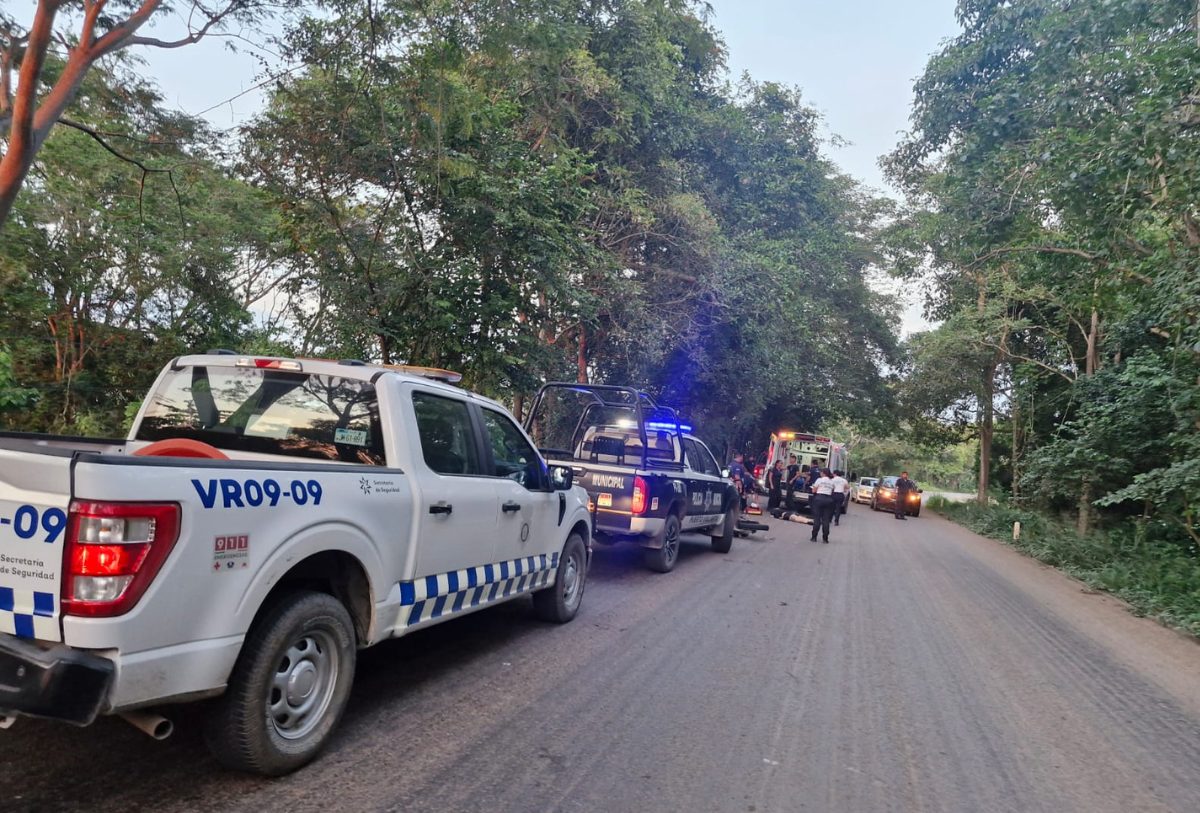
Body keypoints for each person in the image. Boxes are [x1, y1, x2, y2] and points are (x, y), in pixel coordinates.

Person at [809, 467, 837, 543]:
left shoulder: (819, 480)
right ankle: (825, 539)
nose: (820, 474)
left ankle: (814, 537)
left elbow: (814, 490)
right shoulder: (832, 482)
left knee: (817, 519)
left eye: (821, 472)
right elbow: (832, 491)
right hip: (828, 500)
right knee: (826, 520)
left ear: (823, 473)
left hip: (819, 499)